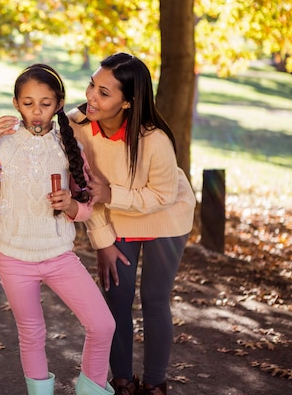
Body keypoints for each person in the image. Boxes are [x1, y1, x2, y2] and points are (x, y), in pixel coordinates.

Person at [0, 64, 116, 395]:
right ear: (16, 103)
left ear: (59, 104)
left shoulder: (67, 143)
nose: (36, 111)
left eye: (45, 103)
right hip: (14, 258)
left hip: (59, 255)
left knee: (103, 325)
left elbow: (88, 204)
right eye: (28, 102)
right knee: (32, 332)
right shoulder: (3, 143)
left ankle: (90, 390)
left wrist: (72, 206)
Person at [68, 52, 196, 395]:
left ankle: (156, 384)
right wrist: (102, 241)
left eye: (105, 93)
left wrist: (113, 194)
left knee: (154, 299)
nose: (92, 96)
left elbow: (163, 196)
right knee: (116, 298)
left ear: (128, 102)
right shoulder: (76, 127)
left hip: (165, 217)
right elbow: (82, 189)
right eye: (92, 85)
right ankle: (122, 380)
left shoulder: (154, 139)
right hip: (115, 218)